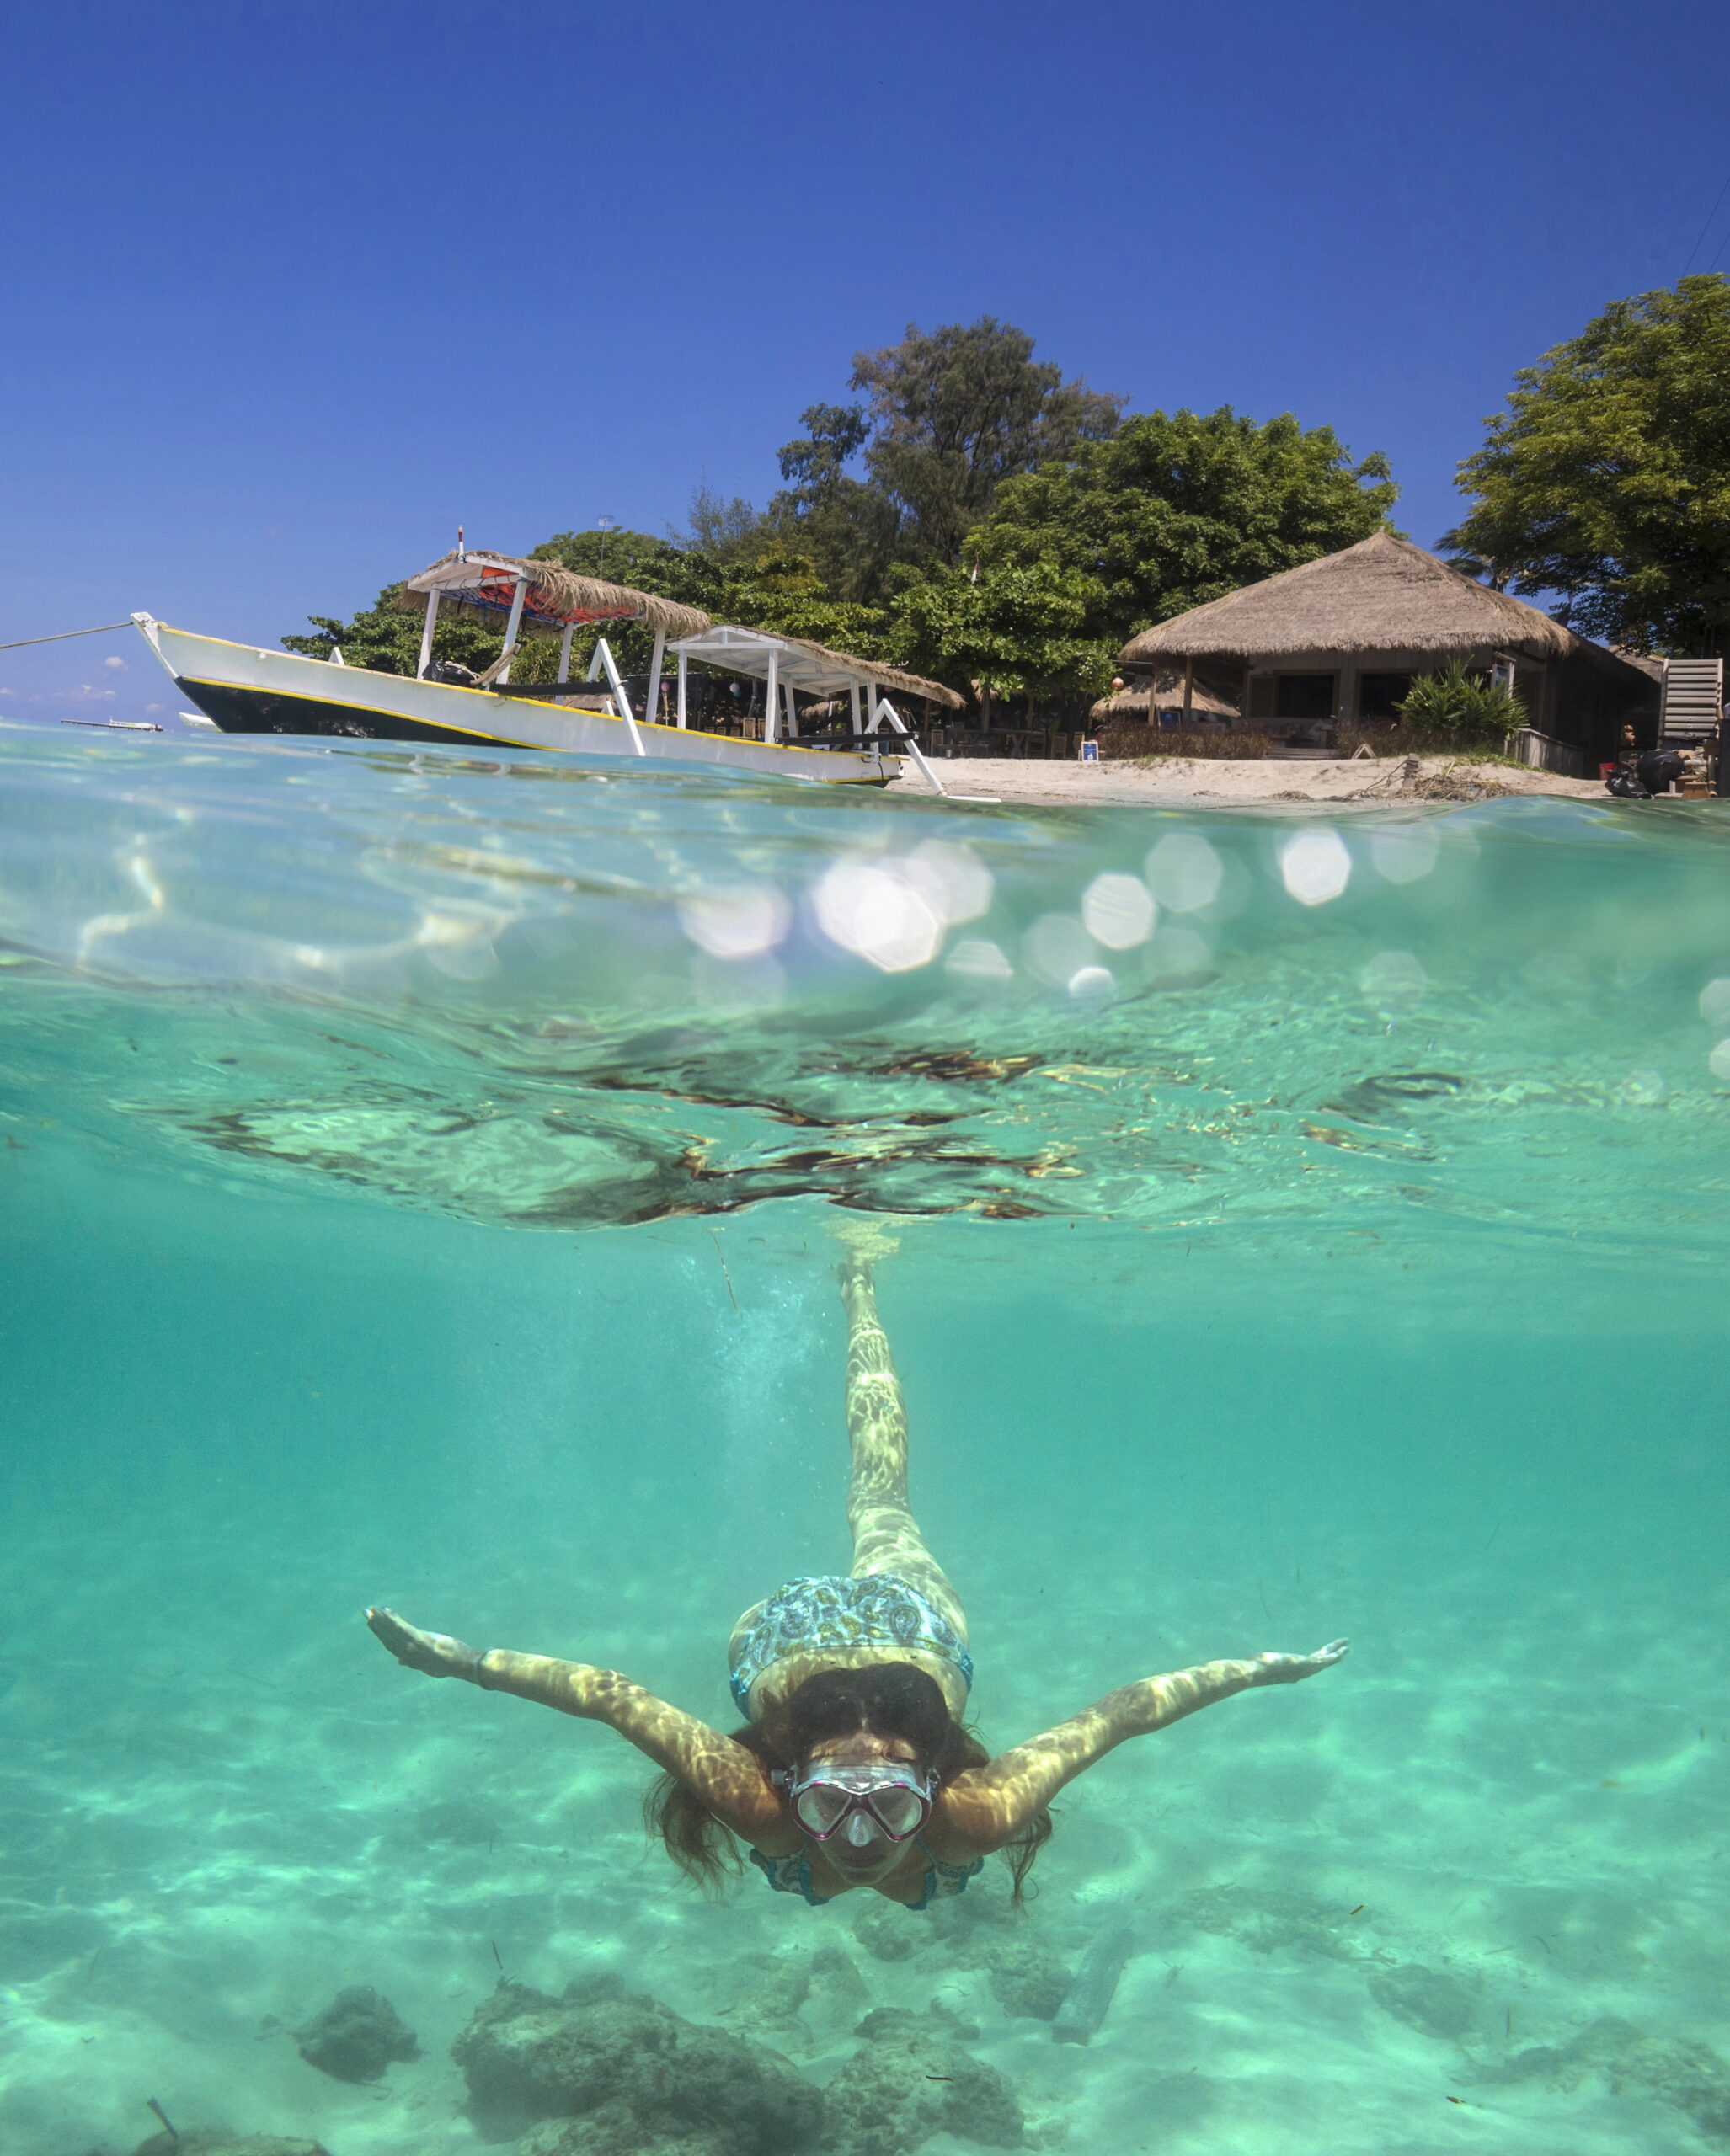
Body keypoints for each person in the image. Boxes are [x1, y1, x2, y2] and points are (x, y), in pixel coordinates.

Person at [367, 1238, 1348, 1911]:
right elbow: (1125, 1709)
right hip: (898, 1626)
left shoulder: (811, 1812)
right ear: (793, 1775)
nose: (861, 1834)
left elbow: (1129, 1711)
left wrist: (466, 1660)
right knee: (879, 1497)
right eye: (836, 1803)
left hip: (800, 1637)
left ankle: (860, 1288)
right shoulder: (934, 1820)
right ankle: (861, 1290)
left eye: (884, 1805)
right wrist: (460, 1661)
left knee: (878, 1497)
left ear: (931, 1780)